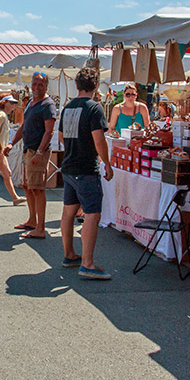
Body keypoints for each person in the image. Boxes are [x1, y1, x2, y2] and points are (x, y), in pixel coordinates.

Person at [59, 67, 114, 280]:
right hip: (85, 168)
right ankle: (87, 263)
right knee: (92, 213)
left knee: (68, 211)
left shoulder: (68, 107)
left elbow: (62, 137)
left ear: (76, 85)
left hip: (69, 166)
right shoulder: (95, 108)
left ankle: (69, 254)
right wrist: (107, 163)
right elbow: (99, 139)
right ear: (96, 85)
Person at [7, 71, 56, 239]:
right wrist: (11, 143)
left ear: (46, 86)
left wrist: (40, 152)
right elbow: (24, 125)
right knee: (28, 187)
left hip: (37, 152)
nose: (36, 87)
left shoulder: (47, 105)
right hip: (28, 150)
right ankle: (32, 220)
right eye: (34, 84)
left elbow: (49, 132)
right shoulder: (31, 103)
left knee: (37, 189)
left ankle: (40, 228)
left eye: (40, 84)